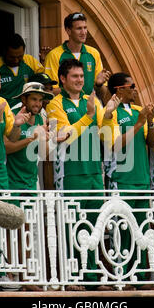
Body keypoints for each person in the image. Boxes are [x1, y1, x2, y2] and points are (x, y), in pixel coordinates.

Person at [46, 58, 111, 291]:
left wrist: (110, 113)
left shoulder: (89, 100)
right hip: (70, 173)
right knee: (71, 224)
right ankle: (72, 276)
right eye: (75, 76)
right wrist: (88, 116)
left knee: (94, 225)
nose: (80, 80)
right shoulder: (55, 104)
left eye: (82, 76)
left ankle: (92, 276)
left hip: (94, 171)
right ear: (63, 79)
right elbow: (63, 134)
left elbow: (106, 132)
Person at [101, 72, 154, 290]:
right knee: (121, 229)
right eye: (130, 86)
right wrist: (139, 123)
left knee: (142, 228)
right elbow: (115, 144)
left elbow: (152, 143)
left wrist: (149, 122)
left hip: (142, 178)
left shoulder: (137, 111)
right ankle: (120, 275)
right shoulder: (110, 113)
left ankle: (142, 275)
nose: (135, 89)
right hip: (121, 179)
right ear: (118, 90)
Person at [44, 12, 111, 101]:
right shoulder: (54, 55)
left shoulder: (94, 53)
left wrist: (99, 85)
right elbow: (50, 92)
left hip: (89, 107)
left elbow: (102, 95)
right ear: (68, 31)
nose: (83, 32)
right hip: (64, 107)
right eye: (79, 28)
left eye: (85, 28)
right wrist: (73, 89)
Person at [5, 82, 53, 192]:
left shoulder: (41, 119)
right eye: (34, 99)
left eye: (40, 100)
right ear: (23, 99)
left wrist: (43, 139)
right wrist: (32, 137)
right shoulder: (11, 115)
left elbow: (43, 154)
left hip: (32, 183)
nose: (38, 104)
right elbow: (6, 148)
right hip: (12, 183)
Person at [0, 33, 44, 108]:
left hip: (27, 110)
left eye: (20, 56)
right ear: (4, 52)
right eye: (12, 57)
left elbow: (43, 83)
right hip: (3, 111)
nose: (16, 60)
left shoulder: (30, 61)